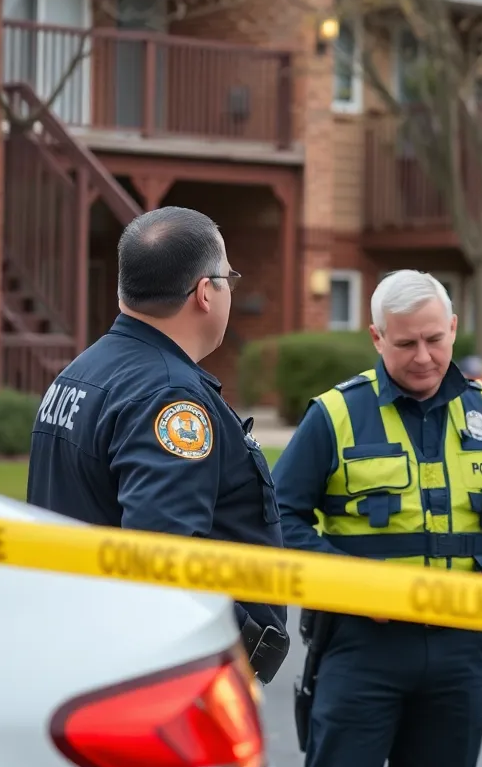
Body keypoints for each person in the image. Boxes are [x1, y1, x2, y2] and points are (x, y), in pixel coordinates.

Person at [273, 269, 482, 767]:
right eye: (406, 342)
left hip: (463, 647)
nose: (423, 356)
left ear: (454, 328)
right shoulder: (334, 415)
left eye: (435, 339)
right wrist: (352, 582)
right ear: (377, 337)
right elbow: (278, 518)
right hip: (361, 645)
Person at [26, 206, 290, 684]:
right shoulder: (169, 397)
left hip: (80, 650)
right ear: (205, 292)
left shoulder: (82, 372)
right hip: (166, 675)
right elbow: (165, 563)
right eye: (228, 276)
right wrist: (241, 643)